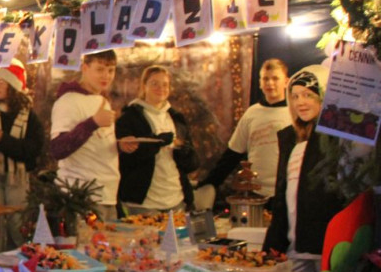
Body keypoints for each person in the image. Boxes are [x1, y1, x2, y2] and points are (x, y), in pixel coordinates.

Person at [263, 65, 345, 272]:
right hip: (292, 246)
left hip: (326, 247)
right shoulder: (290, 138)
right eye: (295, 96)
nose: (300, 102)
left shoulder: (337, 138)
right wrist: (273, 244)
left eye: (308, 95)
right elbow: (282, 194)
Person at [49, 51, 138, 221]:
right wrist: (92, 123)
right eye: (100, 69)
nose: (106, 76)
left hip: (108, 194)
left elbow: (95, 143)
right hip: (80, 196)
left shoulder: (101, 100)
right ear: (84, 68)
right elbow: (57, 148)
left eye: (111, 70)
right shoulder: (68, 101)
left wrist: (118, 145)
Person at [198, 59, 289, 204]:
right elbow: (233, 154)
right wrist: (210, 182)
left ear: (286, 82)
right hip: (255, 193)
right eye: (265, 78)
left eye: (275, 78)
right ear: (259, 83)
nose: (270, 83)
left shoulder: (294, 113)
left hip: (286, 193)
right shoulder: (252, 113)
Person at [115, 66, 198, 215]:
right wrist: (156, 143)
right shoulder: (129, 118)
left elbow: (191, 165)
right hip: (143, 203)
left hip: (176, 199)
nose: (160, 88)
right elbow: (126, 160)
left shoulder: (176, 118)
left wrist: (186, 154)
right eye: (154, 83)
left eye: (165, 84)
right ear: (144, 86)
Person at [0, 59, 42, 250]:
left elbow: (33, 150)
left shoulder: (29, 117)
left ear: (12, 86)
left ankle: (19, 257)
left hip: (19, 179)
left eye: (1, 82)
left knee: (18, 222)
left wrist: (3, 141)